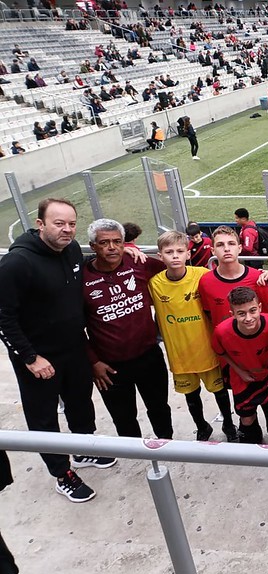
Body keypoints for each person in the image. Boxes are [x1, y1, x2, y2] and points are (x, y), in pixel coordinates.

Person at [0, 199, 115, 503]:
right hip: (39, 357)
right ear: (41, 225)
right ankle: (61, 473)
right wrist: (30, 357)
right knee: (43, 417)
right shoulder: (16, 264)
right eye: (59, 223)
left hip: (74, 347)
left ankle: (83, 450)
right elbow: (3, 317)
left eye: (71, 223)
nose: (67, 230)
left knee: (80, 401)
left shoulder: (73, 249)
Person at [82, 219, 173, 440]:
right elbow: (73, 327)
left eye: (117, 242)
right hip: (109, 366)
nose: (112, 247)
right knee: (124, 417)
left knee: (159, 406)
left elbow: (177, 274)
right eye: (104, 243)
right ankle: (134, 452)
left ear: (125, 244)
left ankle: (167, 443)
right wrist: (93, 361)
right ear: (93, 247)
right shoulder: (81, 279)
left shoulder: (140, 264)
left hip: (148, 356)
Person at [148, 230, 238, 442]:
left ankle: (228, 423)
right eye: (169, 252)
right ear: (160, 256)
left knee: (221, 392)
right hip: (180, 355)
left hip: (207, 350)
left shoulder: (202, 275)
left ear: (188, 254)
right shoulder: (154, 284)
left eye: (180, 251)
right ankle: (202, 426)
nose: (175, 256)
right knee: (191, 396)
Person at [211, 286, 268, 444]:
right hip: (243, 379)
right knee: (247, 417)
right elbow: (220, 352)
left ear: (259, 308)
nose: (248, 318)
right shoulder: (222, 332)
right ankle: (252, 444)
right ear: (232, 314)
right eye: (241, 313)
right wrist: (239, 370)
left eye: (252, 311)